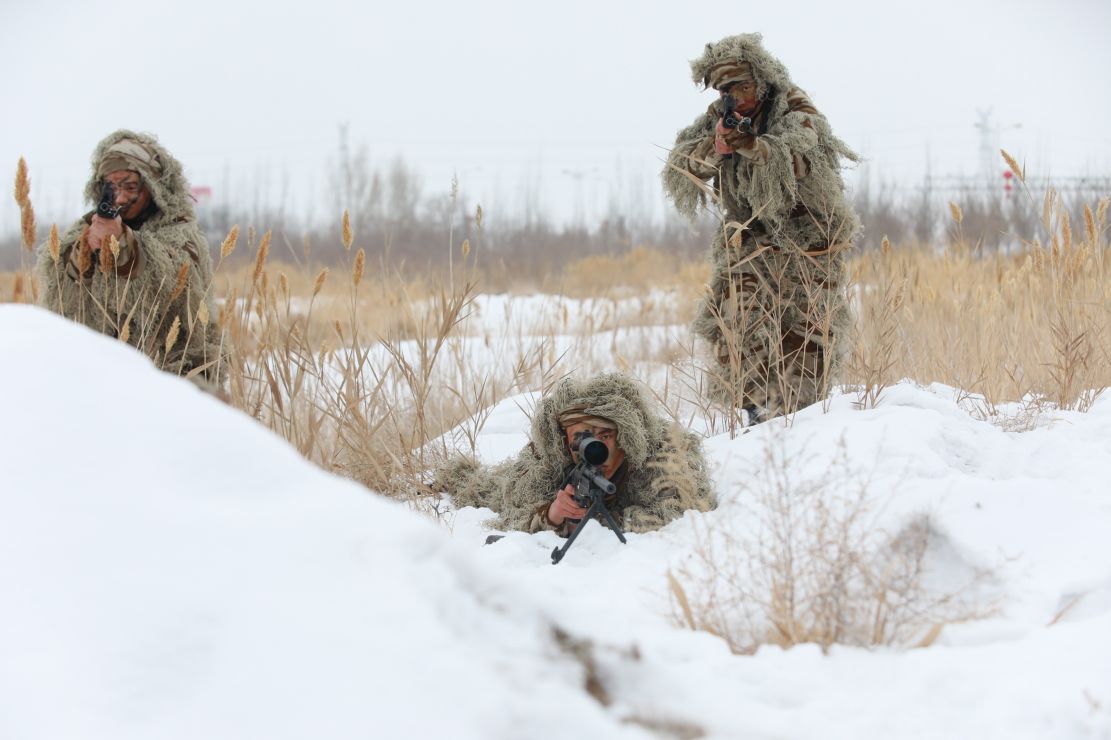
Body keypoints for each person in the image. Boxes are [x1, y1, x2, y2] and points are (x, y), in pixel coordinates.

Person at [662, 33, 860, 421]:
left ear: (762, 81)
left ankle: (802, 419)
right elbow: (682, 167)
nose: (735, 97)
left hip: (808, 241)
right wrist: (717, 147)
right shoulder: (720, 117)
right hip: (750, 240)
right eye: (726, 90)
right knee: (739, 317)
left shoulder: (794, 109)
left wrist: (749, 144)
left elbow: (795, 159)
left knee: (805, 332)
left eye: (742, 86)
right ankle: (752, 414)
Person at [36, 130, 225, 387]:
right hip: (104, 376)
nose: (120, 197)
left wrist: (121, 243)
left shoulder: (180, 231)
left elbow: (164, 279)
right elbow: (62, 293)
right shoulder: (88, 228)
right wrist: (86, 250)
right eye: (111, 187)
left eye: (130, 186)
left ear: (153, 187)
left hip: (173, 373)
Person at [434, 373, 715, 536]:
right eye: (580, 441)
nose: (595, 450)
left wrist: (604, 519)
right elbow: (511, 511)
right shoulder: (547, 456)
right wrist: (553, 514)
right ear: (565, 442)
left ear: (626, 436)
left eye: (605, 436)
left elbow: (680, 510)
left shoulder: (665, 451)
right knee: (487, 488)